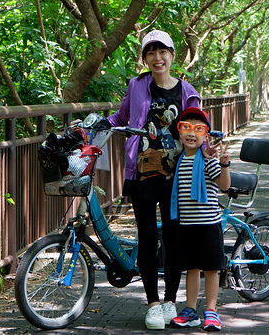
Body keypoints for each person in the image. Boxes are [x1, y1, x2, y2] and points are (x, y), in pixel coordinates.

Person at [105, 29, 202, 330]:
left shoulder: (187, 92)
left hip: (178, 178)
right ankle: (152, 304)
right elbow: (120, 118)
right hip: (142, 175)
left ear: (173, 56)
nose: (157, 58)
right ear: (145, 58)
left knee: (173, 240)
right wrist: (93, 128)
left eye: (163, 52)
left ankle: (171, 300)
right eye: (151, 52)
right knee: (147, 240)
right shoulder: (136, 86)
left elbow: (198, 129)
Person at [168, 107, 231, 332]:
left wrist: (223, 164)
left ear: (206, 135)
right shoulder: (178, 159)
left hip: (208, 225)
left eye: (199, 129)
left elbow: (224, 186)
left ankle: (212, 311)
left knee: (211, 269)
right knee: (191, 268)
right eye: (186, 127)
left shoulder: (207, 160)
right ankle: (190, 310)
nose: (192, 133)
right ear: (180, 133)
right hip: (186, 225)